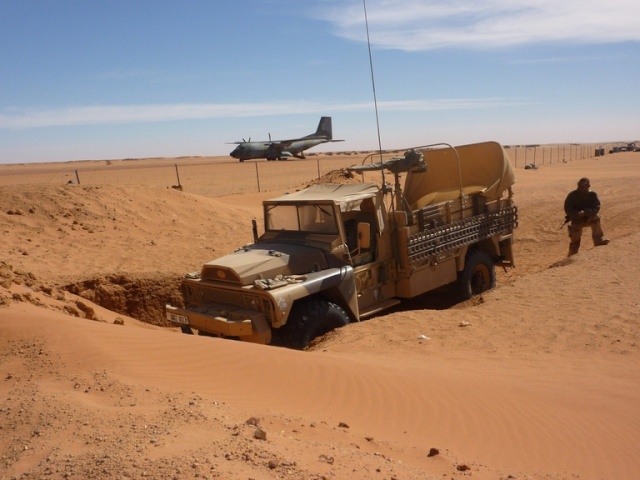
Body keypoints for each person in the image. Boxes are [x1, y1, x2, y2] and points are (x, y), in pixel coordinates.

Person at [563, 177, 609, 256]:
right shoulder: (572, 195)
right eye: (580, 186)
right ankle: (572, 254)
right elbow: (567, 208)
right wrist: (577, 213)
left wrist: (586, 212)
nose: (581, 188)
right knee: (575, 238)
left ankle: (598, 241)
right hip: (576, 219)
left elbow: (596, 207)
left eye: (584, 186)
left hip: (589, 218)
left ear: (588, 186)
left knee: (596, 217)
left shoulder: (592, 195)